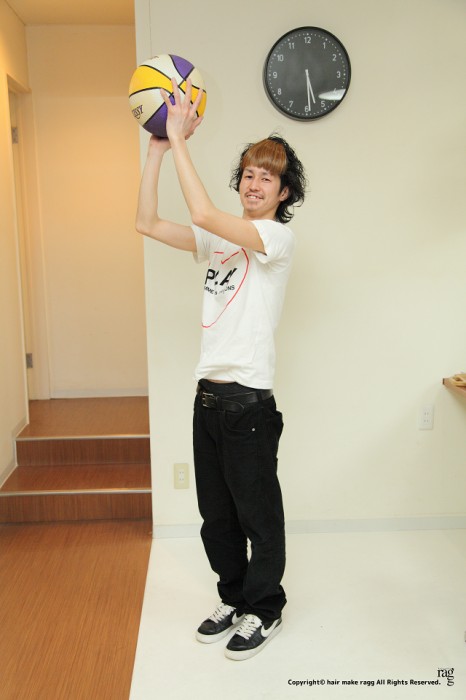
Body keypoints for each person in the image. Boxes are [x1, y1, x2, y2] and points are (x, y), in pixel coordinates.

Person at [136, 79, 307, 660]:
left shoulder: (274, 239)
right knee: (216, 518)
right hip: (207, 401)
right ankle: (233, 597)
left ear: (283, 192)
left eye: (266, 178)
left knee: (259, 516)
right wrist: (157, 150)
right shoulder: (219, 242)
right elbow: (147, 223)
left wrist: (180, 137)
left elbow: (203, 210)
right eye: (248, 175)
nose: (254, 184)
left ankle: (265, 609)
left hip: (248, 406)